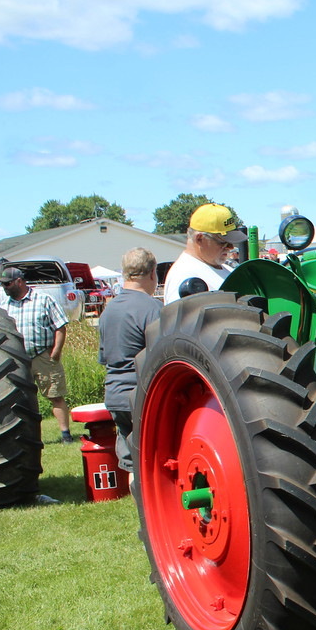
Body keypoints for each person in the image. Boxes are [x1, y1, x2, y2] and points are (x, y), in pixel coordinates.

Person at [97, 247, 162, 473]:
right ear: (153, 273)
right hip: (142, 397)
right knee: (155, 463)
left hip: (115, 395)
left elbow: (105, 357)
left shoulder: (108, 311)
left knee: (132, 464)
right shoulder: (153, 309)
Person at [0, 265, 74, 443]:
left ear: (19, 281)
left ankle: (66, 434)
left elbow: (60, 327)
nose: (4, 288)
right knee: (19, 401)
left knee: (55, 395)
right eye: (2, 284)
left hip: (42, 356)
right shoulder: (4, 305)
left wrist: (55, 353)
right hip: (17, 360)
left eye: (7, 284)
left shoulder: (43, 299)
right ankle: (24, 437)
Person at [163, 203, 247, 303]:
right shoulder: (184, 276)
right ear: (199, 239)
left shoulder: (226, 269)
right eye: (222, 242)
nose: (230, 247)